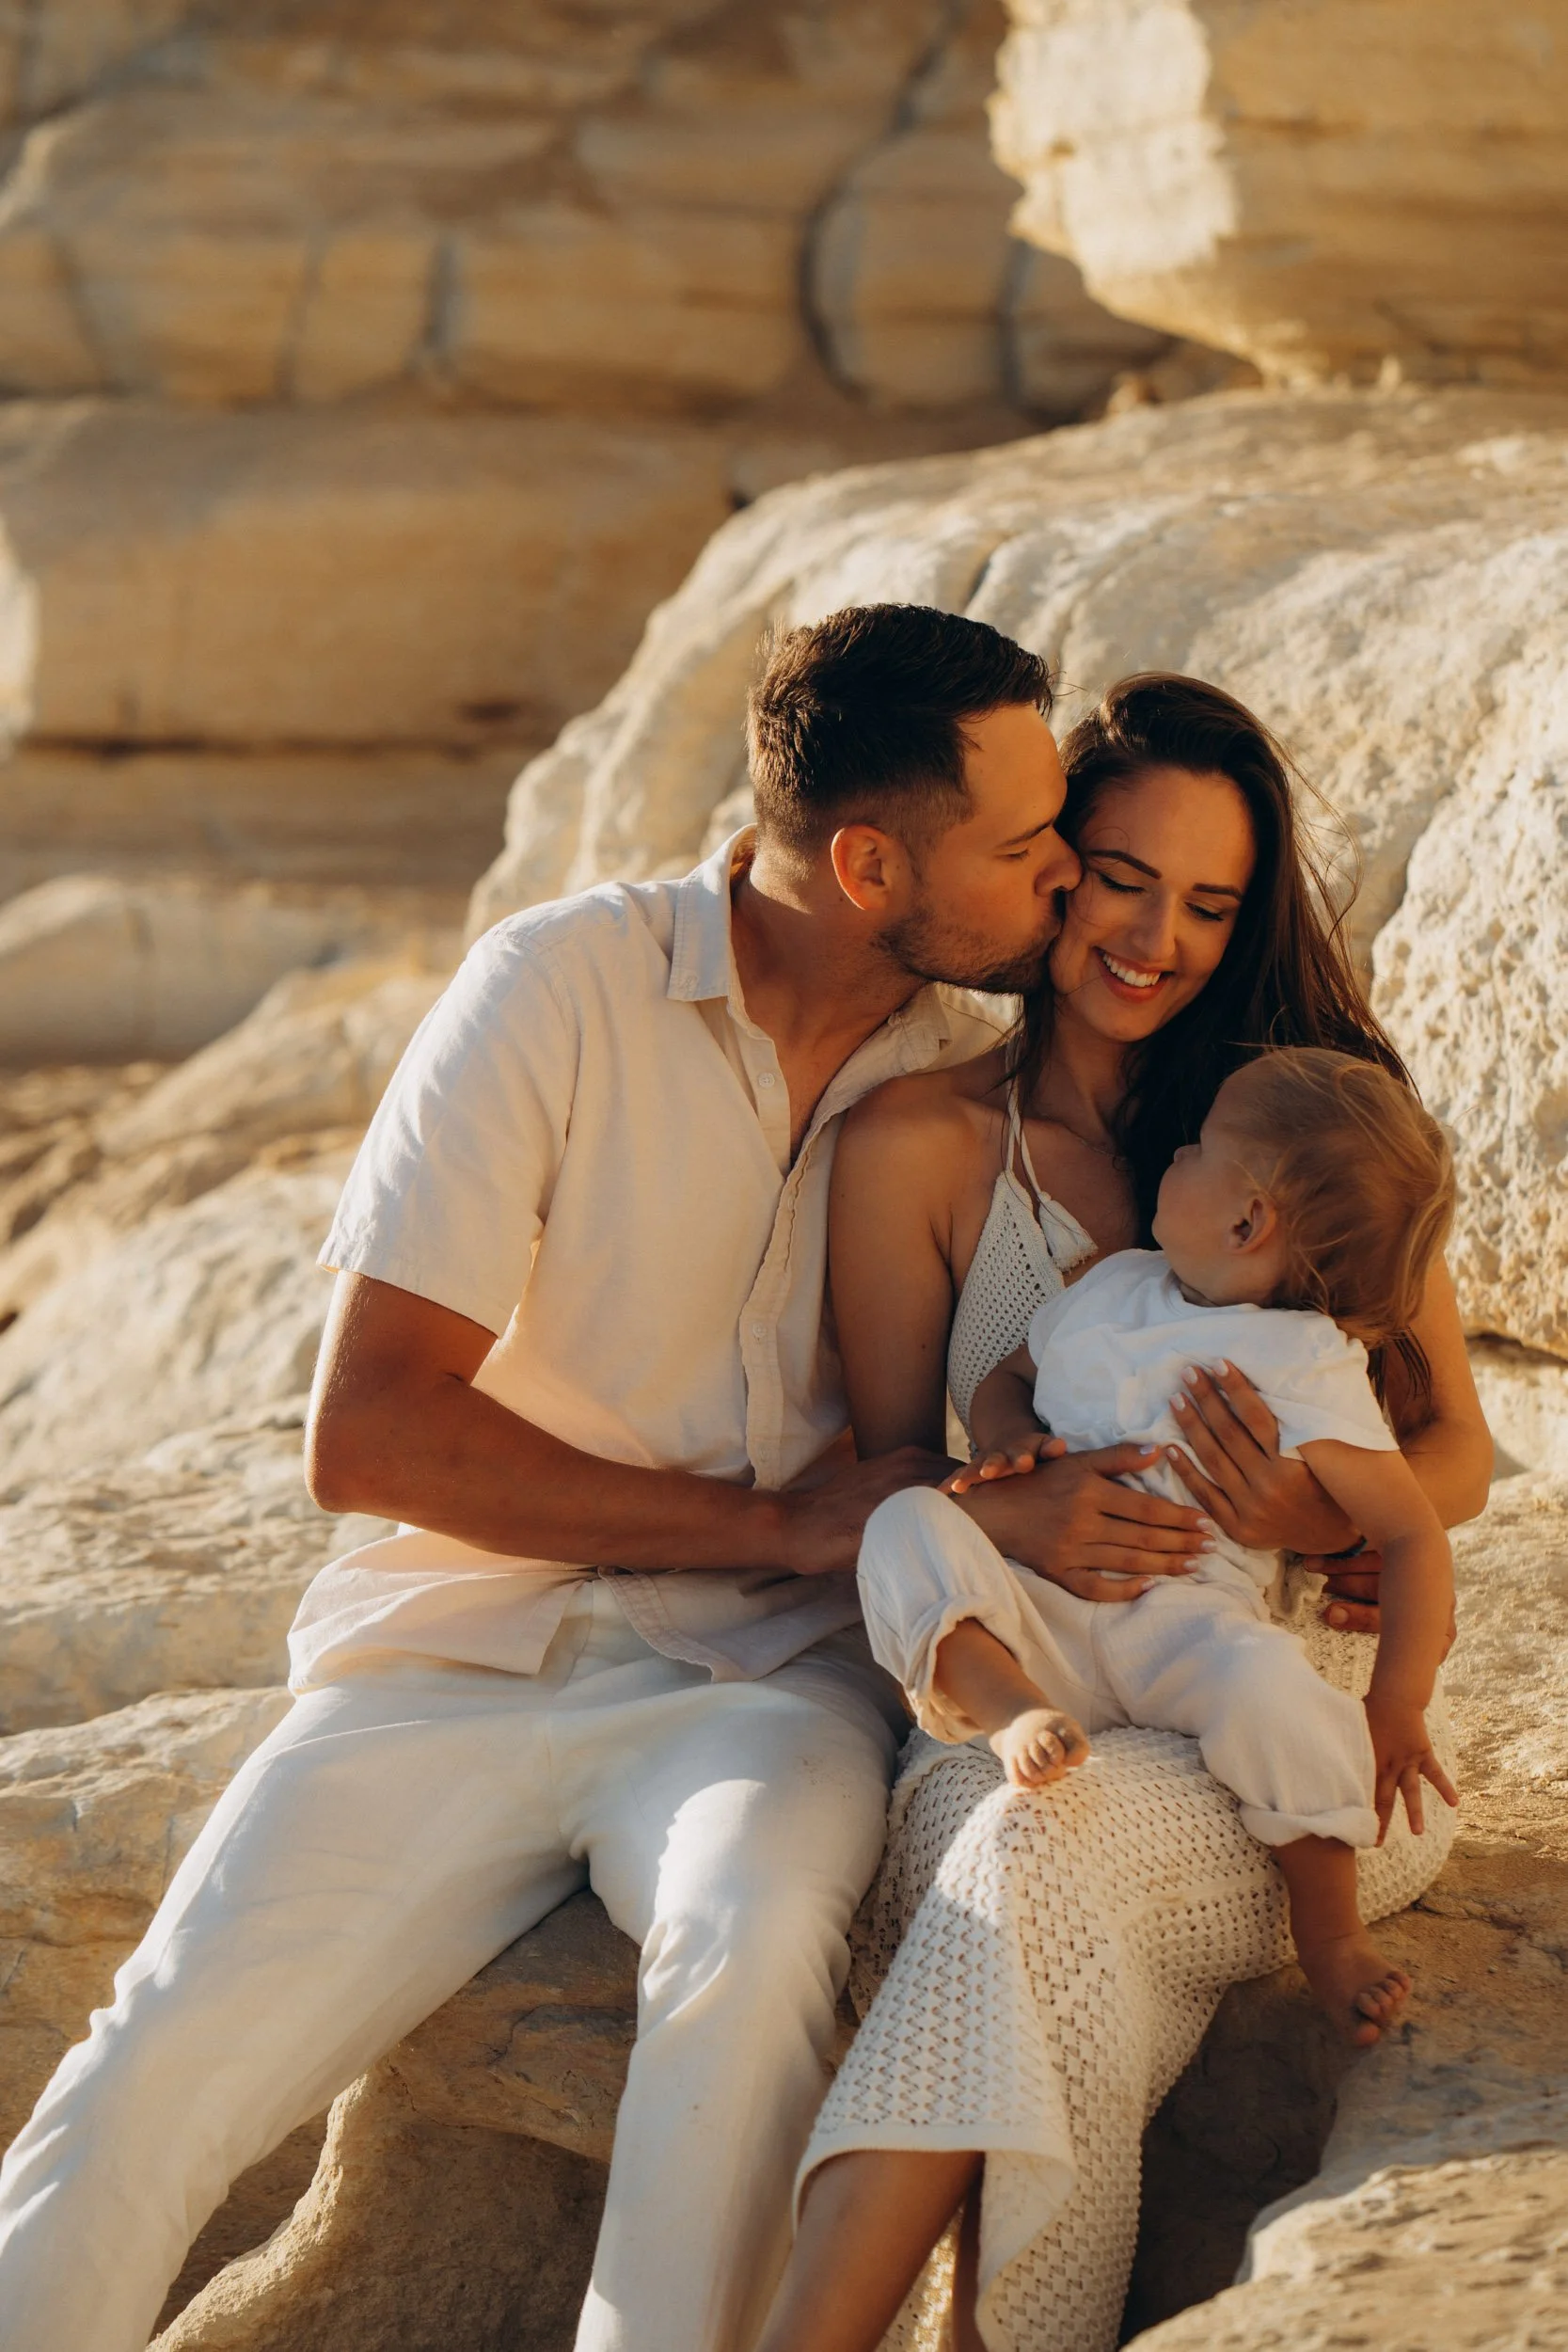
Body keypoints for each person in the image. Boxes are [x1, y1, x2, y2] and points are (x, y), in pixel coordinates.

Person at [0, 603, 1142, 2352]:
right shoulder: (556, 985)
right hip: (448, 1655)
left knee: (749, 1966)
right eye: (1020, 842)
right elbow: (370, 1434)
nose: (1063, 872)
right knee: (155, 2065)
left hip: (768, 1689)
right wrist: (769, 1522)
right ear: (864, 865)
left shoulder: (977, 1076)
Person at [756, 674, 1493, 2352]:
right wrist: (1012, 1516)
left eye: (1209, 904)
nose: (1156, 939)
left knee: (1044, 1866)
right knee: (1026, 1840)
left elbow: (1452, 1453)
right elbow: (897, 1472)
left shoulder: (1302, 1129)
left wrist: (1306, 1517)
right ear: (1047, 867)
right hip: (1012, 1690)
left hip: (1283, 1731)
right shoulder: (918, 1139)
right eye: (1119, 877)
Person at [859, 1046, 1461, 2046]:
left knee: (1275, 1689)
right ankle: (1009, 1714)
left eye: (1197, 1148)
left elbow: (1409, 1532)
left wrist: (1395, 1704)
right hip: (1038, 1613)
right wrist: (1006, 1443)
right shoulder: (1112, 1286)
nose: (1173, 1155)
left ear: (1246, 1221)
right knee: (902, 1523)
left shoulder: (1302, 1358)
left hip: (1187, 1629)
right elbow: (1007, 1377)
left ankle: (1329, 1935)